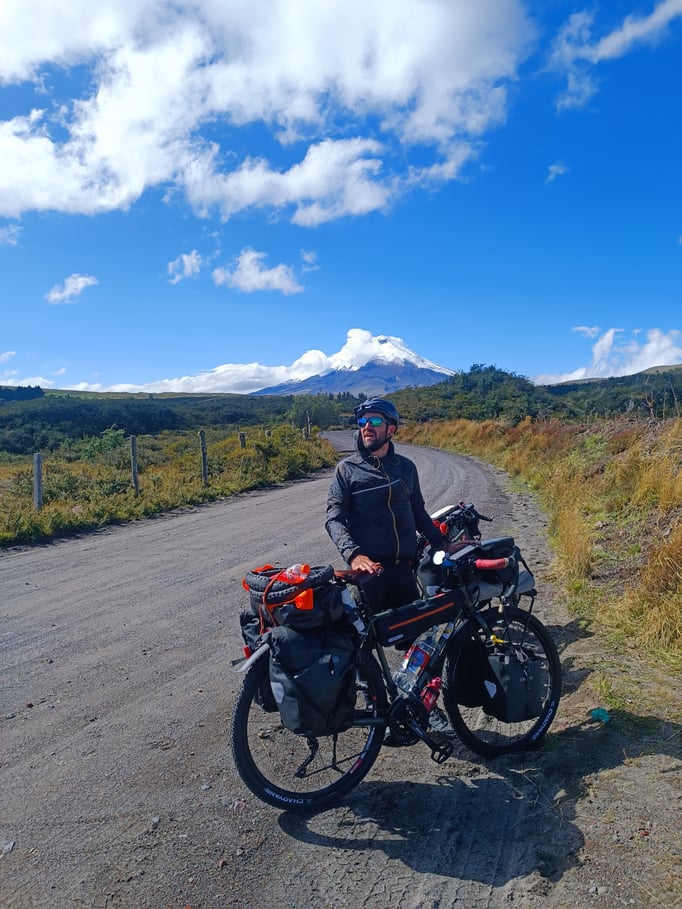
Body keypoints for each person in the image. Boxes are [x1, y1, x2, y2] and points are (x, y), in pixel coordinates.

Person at [325, 397, 454, 737]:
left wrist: (443, 545)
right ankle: (373, 713)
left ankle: (422, 704)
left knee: (419, 642)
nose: (366, 426)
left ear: (391, 428)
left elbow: (420, 513)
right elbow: (334, 519)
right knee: (361, 650)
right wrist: (354, 555)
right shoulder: (347, 470)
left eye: (374, 421)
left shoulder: (406, 468)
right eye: (362, 421)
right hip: (370, 575)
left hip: (403, 571)